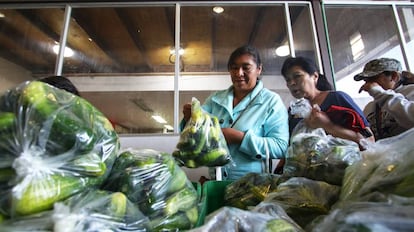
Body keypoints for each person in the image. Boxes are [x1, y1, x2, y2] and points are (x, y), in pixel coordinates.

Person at [181, 45, 289, 181]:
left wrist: (240, 138)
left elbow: (280, 147)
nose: (239, 73)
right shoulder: (215, 100)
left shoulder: (271, 102)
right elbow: (197, 138)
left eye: (246, 67)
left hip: (252, 186)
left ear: (259, 69)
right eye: (234, 68)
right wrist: (189, 120)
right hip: (217, 182)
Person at [281, 56, 375, 146]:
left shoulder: (337, 98)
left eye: (297, 76)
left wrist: (328, 126)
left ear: (314, 76)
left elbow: (369, 141)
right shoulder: (293, 112)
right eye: (288, 80)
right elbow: (291, 148)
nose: (292, 83)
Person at [354, 57, 414, 140]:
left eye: (373, 78)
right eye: (366, 80)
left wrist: (380, 94)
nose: (368, 84)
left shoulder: (411, 91)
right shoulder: (370, 107)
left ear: (394, 76)